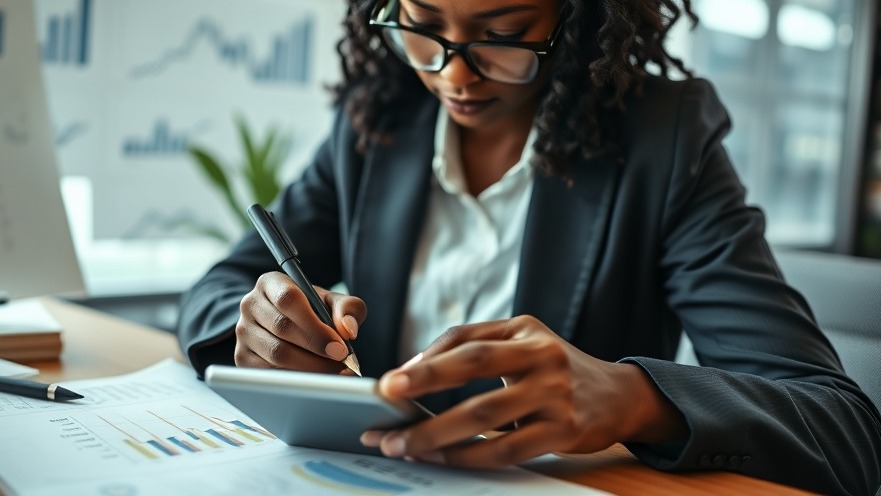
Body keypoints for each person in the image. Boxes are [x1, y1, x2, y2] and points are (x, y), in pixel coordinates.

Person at [176, 0, 881, 494]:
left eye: (503, 35)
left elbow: (841, 429)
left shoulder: (664, 142)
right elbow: (219, 288)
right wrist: (262, 320)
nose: (453, 74)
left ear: (573, 20)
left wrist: (632, 399)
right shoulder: (378, 120)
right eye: (421, 27)